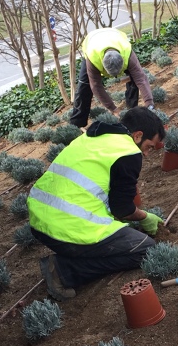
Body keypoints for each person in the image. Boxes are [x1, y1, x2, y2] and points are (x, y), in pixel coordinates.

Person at [28, 106, 166, 300]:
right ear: (138, 136)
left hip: (39, 221)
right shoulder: (127, 152)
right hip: (66, 227)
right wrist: (144, 217)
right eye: (149, 147)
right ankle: (64, 271)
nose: (147, 154)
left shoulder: (91, 137)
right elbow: (122, 209)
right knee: (144, 249)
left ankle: (71, 259)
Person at [70, 27, 155, 128]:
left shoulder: (127, 52)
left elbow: (141, 78)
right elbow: (96, 86)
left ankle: (132, 111)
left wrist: (149, 103)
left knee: (134, 77)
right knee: (84, 87)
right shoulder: (93, 58)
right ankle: (77, 124)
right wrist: (113, 109)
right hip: (93, 42)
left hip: (115, 37)